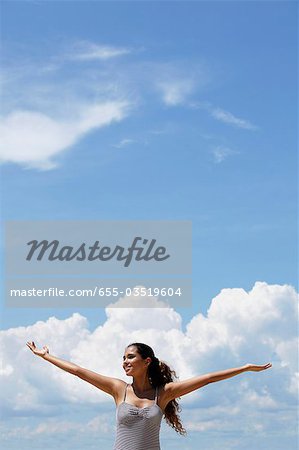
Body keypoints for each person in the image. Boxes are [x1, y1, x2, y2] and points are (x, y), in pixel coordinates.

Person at [26, 341, 272, 450]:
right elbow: (79, 372)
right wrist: (46, 356)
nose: (125, 362)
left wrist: (245, 368)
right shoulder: (118, 389)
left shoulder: (162, 394)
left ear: (147, 361)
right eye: (123, 358)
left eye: (130, 357)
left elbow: (208, 378)